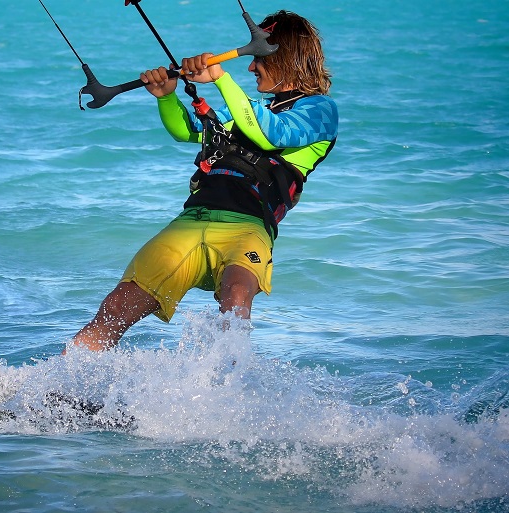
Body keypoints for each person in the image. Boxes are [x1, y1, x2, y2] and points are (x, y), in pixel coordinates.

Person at [69, 10, 338, 352]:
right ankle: (51, 393)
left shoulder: (320, 110)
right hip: (191, 222)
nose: (252, 67)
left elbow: (271, 135)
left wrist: (221, 78)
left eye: (257, 60)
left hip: (247, 228)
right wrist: (166, 96)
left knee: (236, 295)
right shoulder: (246, 108)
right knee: (115, 308)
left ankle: (230, 394)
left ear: (284, 58)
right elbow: (187, 130)